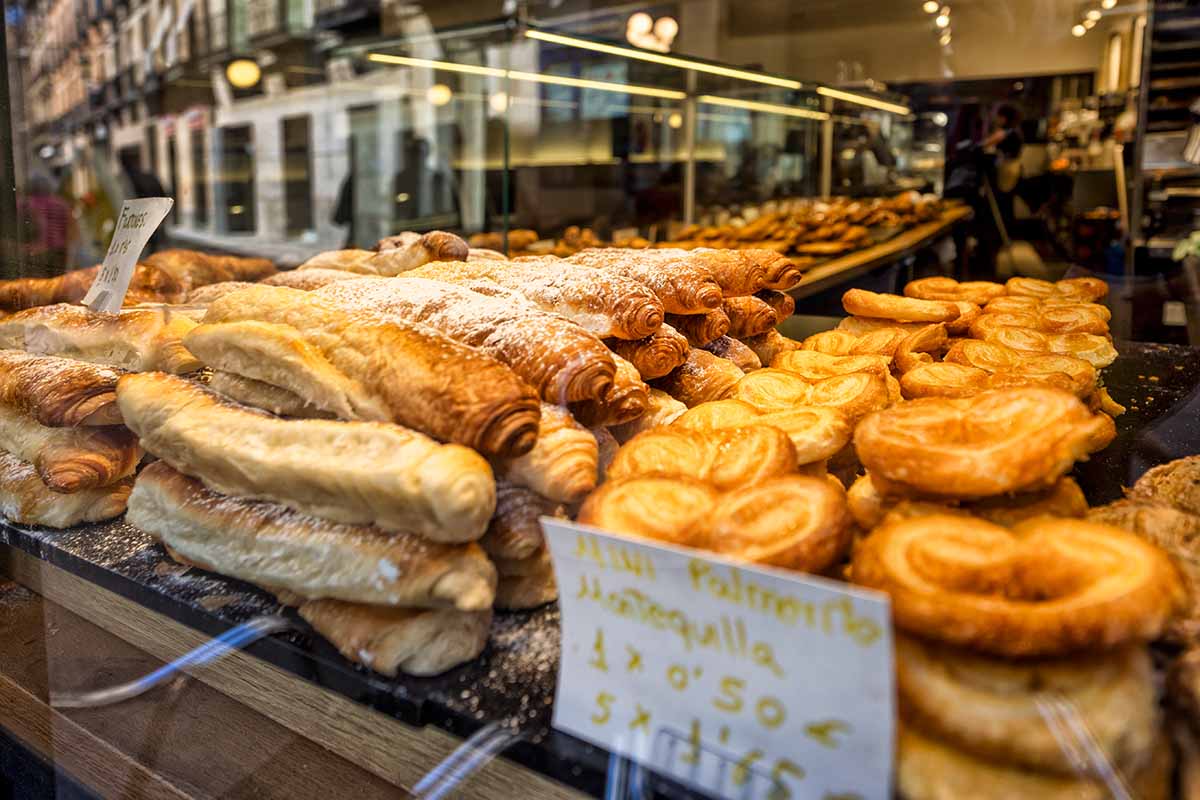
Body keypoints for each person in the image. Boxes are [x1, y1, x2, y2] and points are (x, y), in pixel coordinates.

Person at [17, 171, 75, 276]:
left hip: (33, 252)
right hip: (59, 250)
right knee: (57, 285)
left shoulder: (22, 204)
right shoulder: (61, 203)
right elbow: (71, 229)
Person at [118, 150, 170, 252]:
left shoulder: (124, 181)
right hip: (154, 223)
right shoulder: (149, 176)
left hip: (138, 228)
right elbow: (164, 196)